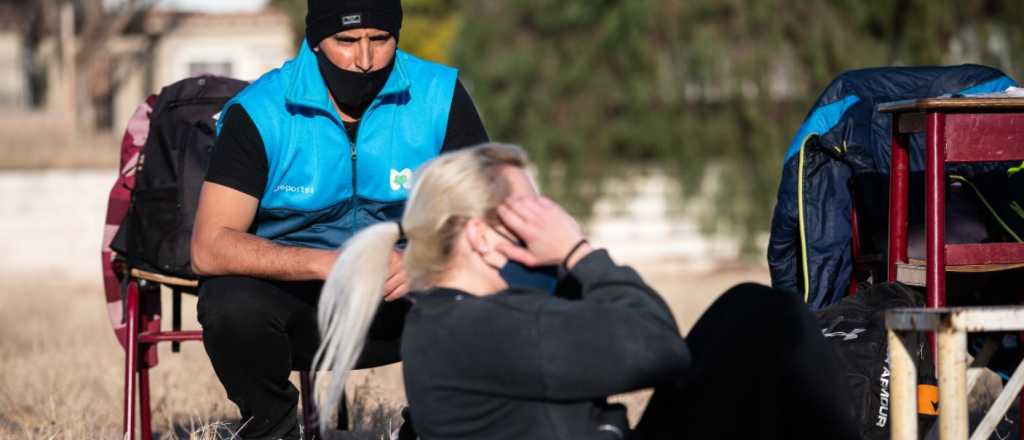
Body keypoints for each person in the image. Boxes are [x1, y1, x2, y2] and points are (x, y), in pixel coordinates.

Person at [316, 143, 860, 439]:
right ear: (480, 235)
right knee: (771, 325)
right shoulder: (484, 327)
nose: (546, 224)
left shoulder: (453, 315)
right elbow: (659, 350)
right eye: (528, 212)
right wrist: (578, 251)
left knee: (748, 311)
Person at [189, 0, 489, 437]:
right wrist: (325, 263)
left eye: (380, 40)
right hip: (301, 310)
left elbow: (488, 216)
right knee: (229, 303)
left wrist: (428, 257)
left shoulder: (440, 96)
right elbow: (209, 245)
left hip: (405, 302)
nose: (364, 60)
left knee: (498, 282)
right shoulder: (259, 111)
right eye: (347, 41)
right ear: (315, 40)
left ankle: (429, 427)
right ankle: (272, 428)